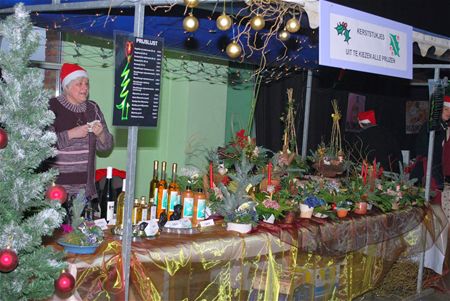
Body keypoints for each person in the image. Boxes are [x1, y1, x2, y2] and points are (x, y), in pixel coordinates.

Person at [48, 63, 113, 202]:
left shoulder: (92, 108)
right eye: (79, 84)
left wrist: (101, 134)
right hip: (56, 188)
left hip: (85, 188)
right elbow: (43, 145)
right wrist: (71, 134)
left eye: (87, 84)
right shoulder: (52, 107)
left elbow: (106, 147)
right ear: (67, 87)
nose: (85, 88)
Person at [412, 95, 450, 204]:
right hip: (428, 171)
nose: (449, 112)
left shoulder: (442, 126)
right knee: (432, 206)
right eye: (446, 109)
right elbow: (426, 151)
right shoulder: (433, 126)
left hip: (435, 172)